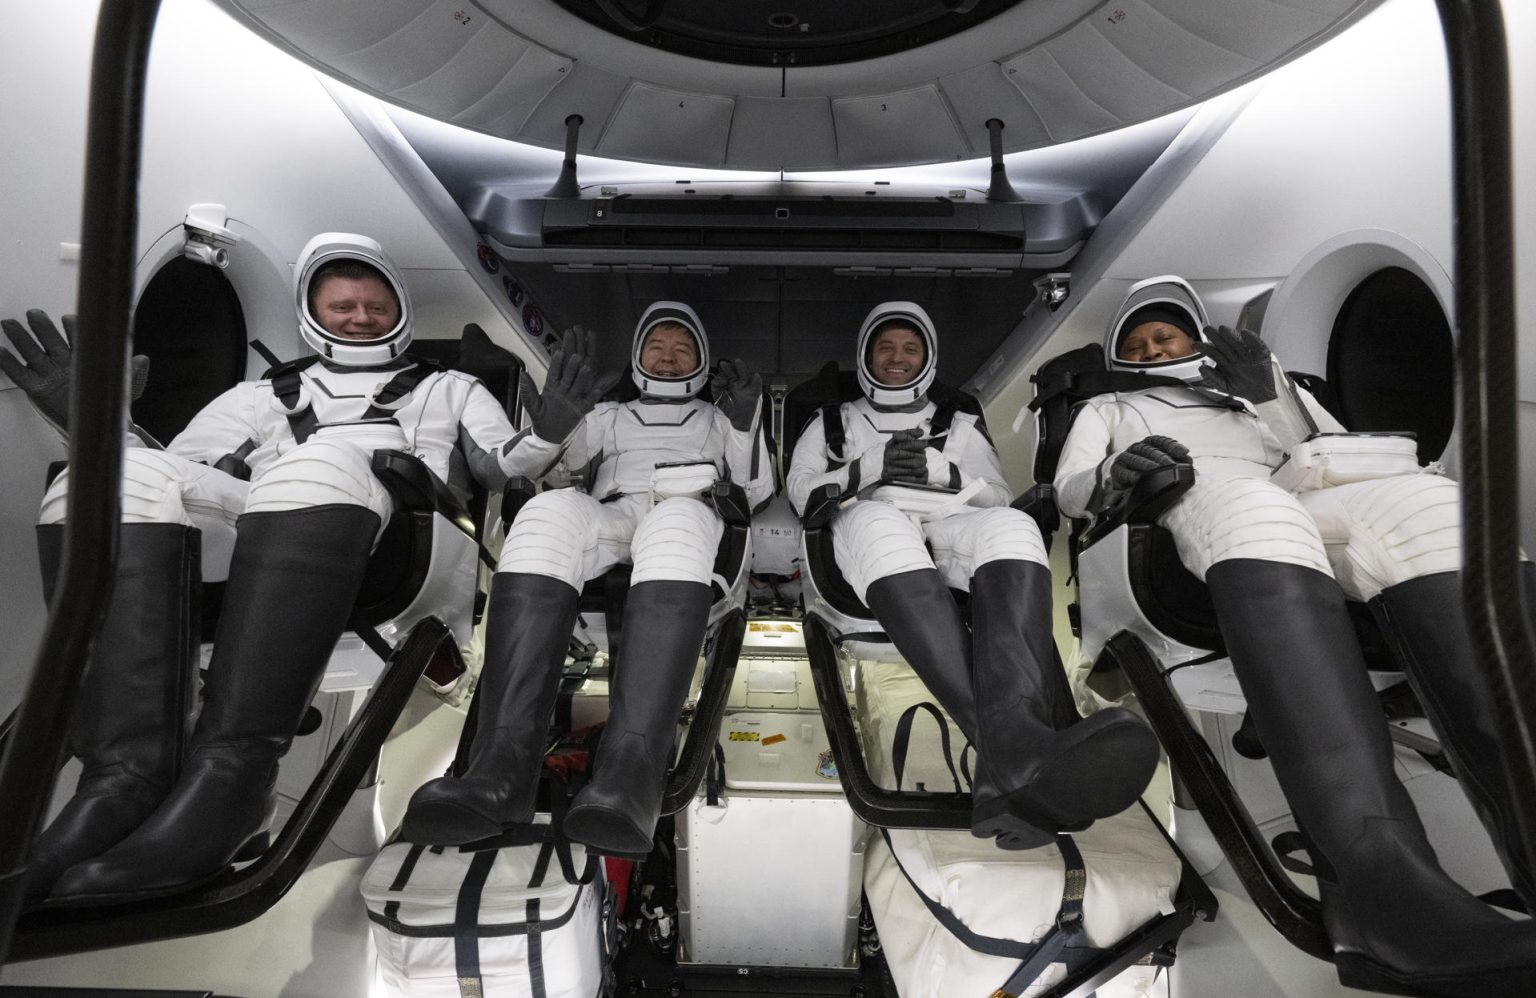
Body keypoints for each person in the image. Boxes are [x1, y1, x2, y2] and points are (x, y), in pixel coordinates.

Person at [0, 232, 545, 903]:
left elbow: (502, 463)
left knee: (316, 463)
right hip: (276, 526)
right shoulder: (261, 395)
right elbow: (182, 473)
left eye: (374, 304)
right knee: (109, 476)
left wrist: (551, 430)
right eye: (343, 305)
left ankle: (235, 777)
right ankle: (125, 777)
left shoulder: (449, 387)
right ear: (312, 311)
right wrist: (97, 424)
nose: (361, 317)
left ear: (398, 308)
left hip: (413, 546)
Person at [1054, 275, 1536, 994]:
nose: (1156, 347)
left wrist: (1267, 394)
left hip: (1312, 485)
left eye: (1169, 334)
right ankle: (1386, 900)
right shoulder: (1111, 404)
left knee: (1436, 509)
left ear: (1194, 335)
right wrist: (1118, 468)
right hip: (1200, 495)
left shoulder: (1257, 381)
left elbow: (1328, 448)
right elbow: (1070, 489)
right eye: (1140, 341)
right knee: (1260, 513)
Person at [401, 301, 771, 858]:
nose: (669, 360)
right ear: (639, 356)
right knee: (544, 515)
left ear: (701, 361)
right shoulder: (609, 415)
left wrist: (744, 422)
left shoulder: (719, 418)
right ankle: (499, 771)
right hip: (613, 512)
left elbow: (756, 491)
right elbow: (552, 471)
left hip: (687, 511)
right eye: (657, 348)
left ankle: (630, 778)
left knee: (676, 521)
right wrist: (557, 419)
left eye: (682, 350)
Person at [785, 301, 1159, 849]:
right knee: (880, 520)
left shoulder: (956, 423)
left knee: (1010, 526)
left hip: (951, 517)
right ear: (866, 355)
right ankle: (1018, 751)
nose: (897, 357)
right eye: (884, 347)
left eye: (909, 348)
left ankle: (1006, 763)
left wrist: (946, 470)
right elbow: (800, 493)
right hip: (867, 517)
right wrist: (869, 470)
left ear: (927, 357)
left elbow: (997, 496)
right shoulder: (830, 422)